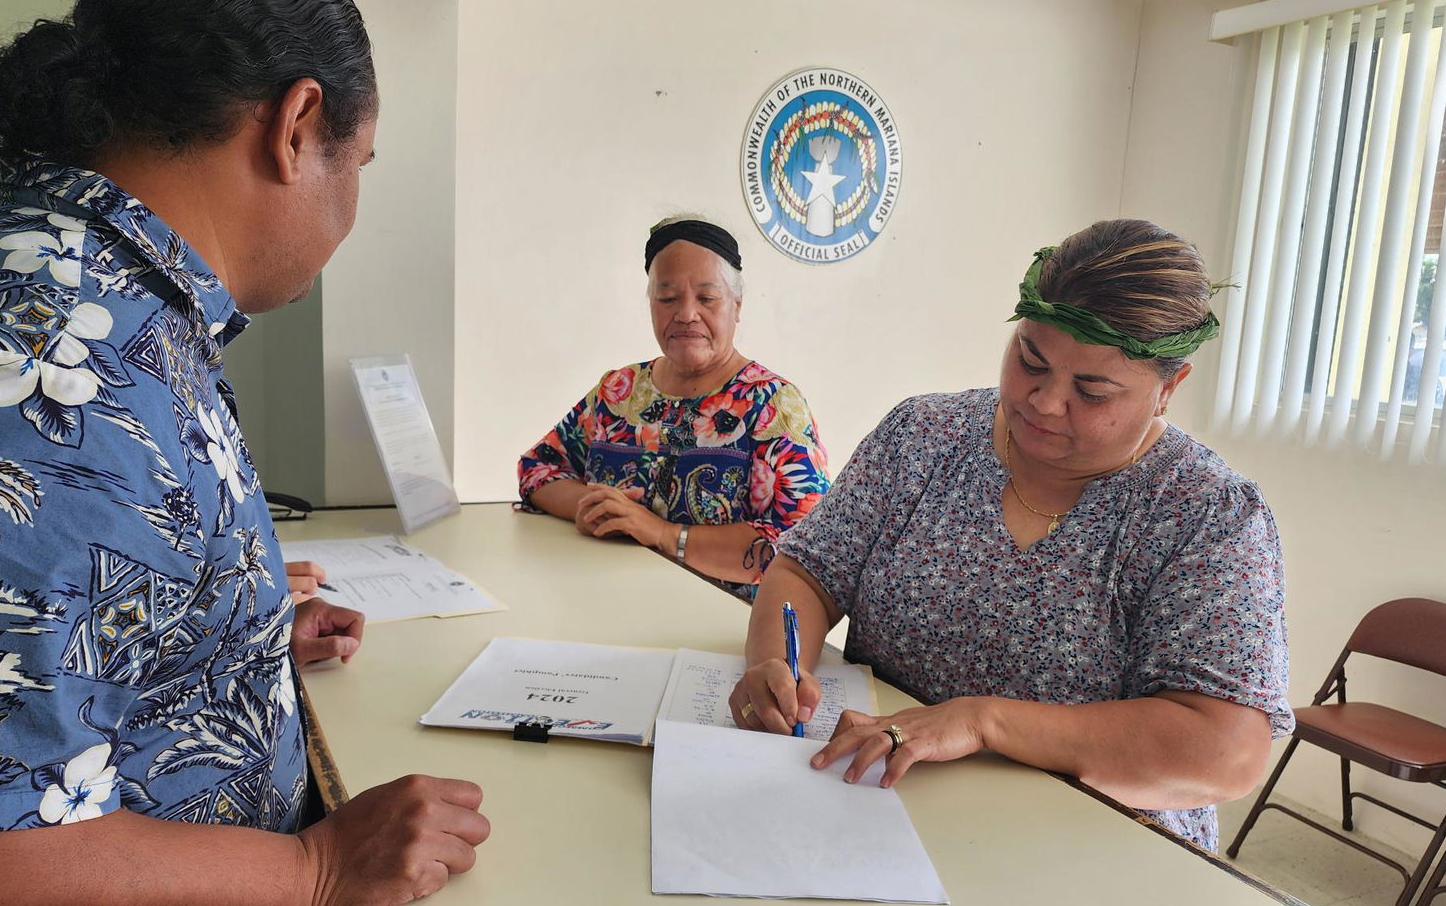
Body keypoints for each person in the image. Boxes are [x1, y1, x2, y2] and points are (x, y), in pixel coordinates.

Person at [0, 0, 488, 906]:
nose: (352, 209)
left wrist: (223, 640)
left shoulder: (88, 294)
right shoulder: (46, 367)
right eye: (359, 166)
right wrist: (318, 867)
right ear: (297, 126)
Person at [729, 219, 1292, 851]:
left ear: (1168, 389)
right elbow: (807, 571)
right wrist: (778, 662)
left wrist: (982, 721)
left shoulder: (1206, 514)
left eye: (1092, 389)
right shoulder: (925, 437)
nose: (1046, 402)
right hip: (872, 809)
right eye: (1030, 361)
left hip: (1082, 847)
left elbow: (1224, 750)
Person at [518, 217, 829, 595]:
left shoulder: (772, 405)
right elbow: (538, 468)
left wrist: (663, 534)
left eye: (706, 298)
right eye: (667, 298)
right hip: (604, 599)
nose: (685, 314)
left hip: (720, 629)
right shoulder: (620, 390)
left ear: (736, 306)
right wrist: (593, 505)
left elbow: (800, 548)